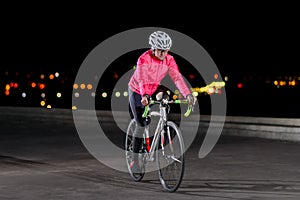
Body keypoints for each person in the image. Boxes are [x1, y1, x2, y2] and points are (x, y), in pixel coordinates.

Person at [128, 30, 196, 172]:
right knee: (141, 124)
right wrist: (145, 95)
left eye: (166, 51)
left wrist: (187, 94)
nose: (163, 54)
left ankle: (161, 137)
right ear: (153, 48)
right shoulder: (144, 59)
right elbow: (142, 79)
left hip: (154, 89)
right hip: (137, 90)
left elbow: (177, 78)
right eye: (160, 50)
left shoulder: (169, 60)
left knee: (165, 103)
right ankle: (134, 161)